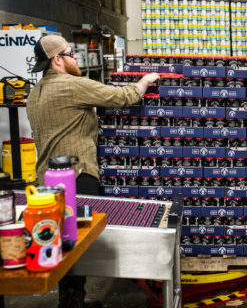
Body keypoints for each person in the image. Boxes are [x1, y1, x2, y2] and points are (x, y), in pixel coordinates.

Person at [26, 35, 159, 308]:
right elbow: (124, 96)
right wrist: (144, 81)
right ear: (57, 59)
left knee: (62, 243)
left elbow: (63, 119)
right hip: (77, 175)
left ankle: (70, 301)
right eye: (70, 54)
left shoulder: (36, 92)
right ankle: (73, 301)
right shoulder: (72, 85)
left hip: (45, 179)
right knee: (77, 245)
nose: (75, 59)